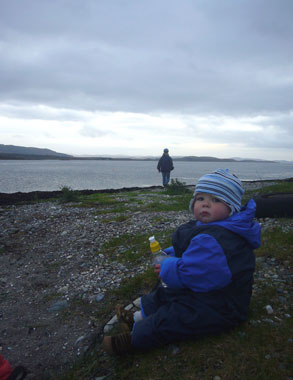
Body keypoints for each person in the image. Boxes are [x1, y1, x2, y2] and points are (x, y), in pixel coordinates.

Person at [103, 168, 261, 355]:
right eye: (200, 198)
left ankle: (133, 339)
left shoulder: (220, 239)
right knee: (167, 293)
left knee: (176, 317)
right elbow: (194, 251)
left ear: (231, 208)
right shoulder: (212, 228)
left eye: (216, 200)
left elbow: (194, 274)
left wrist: (169, 266)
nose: (206, 205)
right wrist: (174, 253)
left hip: (222, 306)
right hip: (208, 293)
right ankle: (137, 317)